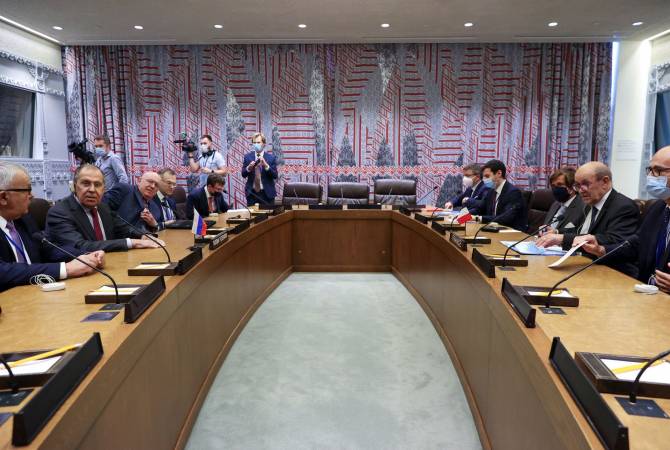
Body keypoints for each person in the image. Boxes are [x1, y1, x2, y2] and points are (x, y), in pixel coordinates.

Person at [0, 162, 105, 292]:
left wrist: (87, 256)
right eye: (27, 190)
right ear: (3, 197)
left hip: (36, 293)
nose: (32, 195)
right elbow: (3, 271)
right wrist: (65, 269)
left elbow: (47, 249)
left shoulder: (22, 219)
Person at [580, 146, 670, 289]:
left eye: (658, 170)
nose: (651, 176)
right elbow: (636, 244)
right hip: (647, 291)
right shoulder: (657, 208)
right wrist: (601, 250)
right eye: (650, 170)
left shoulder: (625, 205)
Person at [45, 164, 164, 252]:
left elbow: (124, 228)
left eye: (97, 185)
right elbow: (80, 246)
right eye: (86, 183)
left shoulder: (103, 208)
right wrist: (132, 243)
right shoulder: (59, 212)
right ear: (75, 186)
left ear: (103, 189)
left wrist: (143, 235)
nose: (92, 190)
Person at [536, 162, 639, 258]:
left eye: (585, 184)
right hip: (581, 260)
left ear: (605, 182)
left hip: (608, 266)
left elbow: (613, 240)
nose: (581, 190)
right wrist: (556, 232)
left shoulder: (624, 206)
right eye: (577, 185)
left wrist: (562, 238)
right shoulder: (589, 203)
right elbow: (578, 231)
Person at [479, 159, 528, 231]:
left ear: (499, 173)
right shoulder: (491, 191)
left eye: (487, 176)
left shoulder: (513, 192)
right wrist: (463, 217)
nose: (484, 180)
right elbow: (479, 207)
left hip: (512, 232)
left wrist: (479, 218)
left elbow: (506, 218)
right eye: (483, 177)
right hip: (495, 229)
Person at [542, 168, 585, 234]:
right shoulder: (555, 204)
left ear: (572, 187)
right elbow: (547, 225)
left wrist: (556, 233)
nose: (555, 189)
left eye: (560, 184)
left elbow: (578, 233)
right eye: (553, 186)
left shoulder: (583, 207)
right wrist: (543, 229)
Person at [242, 132, 278, 207]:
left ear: (264, 144)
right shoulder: (247, 157)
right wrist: (249, 168)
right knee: (252, 214)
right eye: (254, 143)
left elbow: (275, 175)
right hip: (252, 194)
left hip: (267, 194)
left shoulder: (271, 158)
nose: (256, 144)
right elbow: (243, 174)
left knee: (268, 214)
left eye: (258, 142)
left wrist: (266, 165)